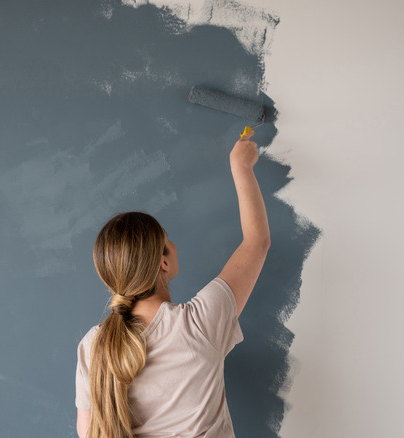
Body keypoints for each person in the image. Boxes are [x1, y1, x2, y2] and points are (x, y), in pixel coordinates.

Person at [75, 130, 270, 437]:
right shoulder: (201, 322)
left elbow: (88, 433)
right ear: (162, 263)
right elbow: (256, 243)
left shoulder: (93, 346)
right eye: (168, 238)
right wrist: (241, 166)